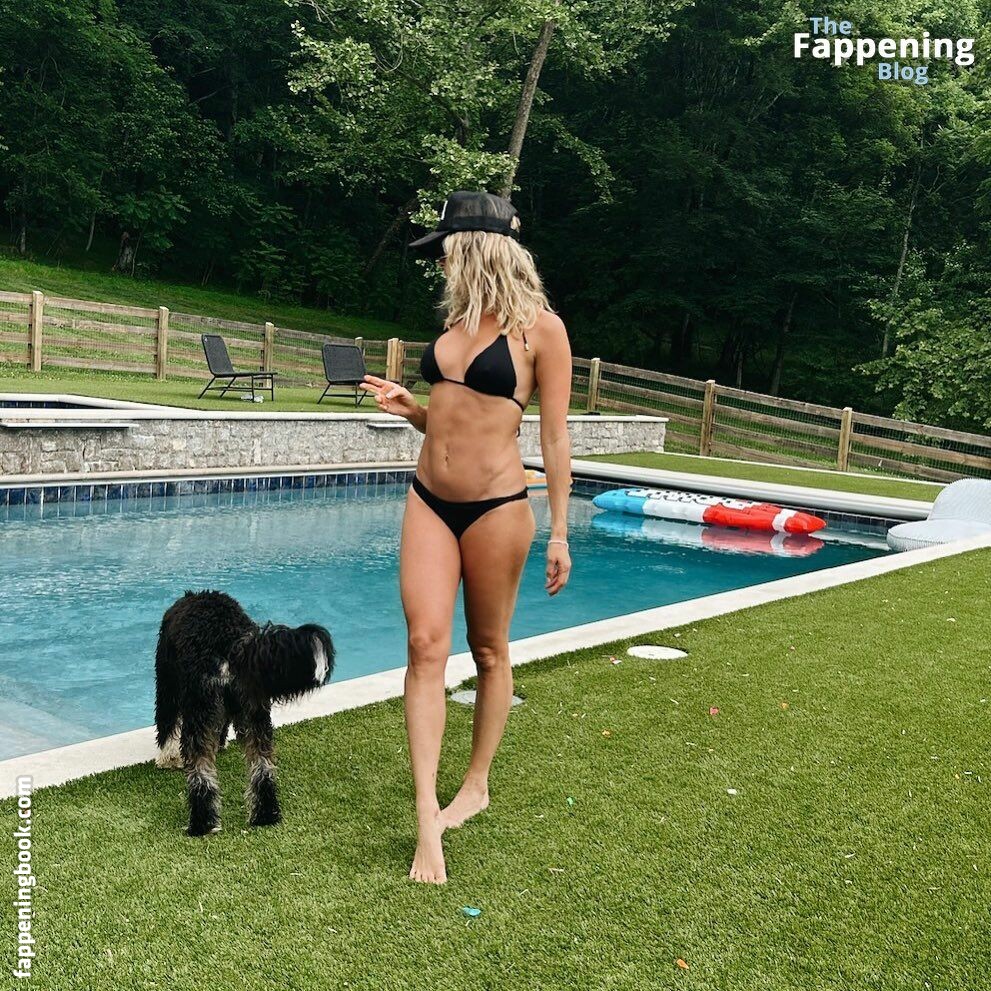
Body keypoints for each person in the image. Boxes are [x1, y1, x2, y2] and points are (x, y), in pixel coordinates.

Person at [360, 191, 573, 884]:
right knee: (425, 645)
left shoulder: (542, 332)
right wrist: (411, 409)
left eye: (446, 248)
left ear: (477, 247)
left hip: (497, 508)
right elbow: (449, 419)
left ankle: (475, 784)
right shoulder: (454, 321)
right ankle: (427, 814)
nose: (441, 261)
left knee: (488, 649)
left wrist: (560, 532)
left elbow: (554, 438)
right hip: (428, 499)